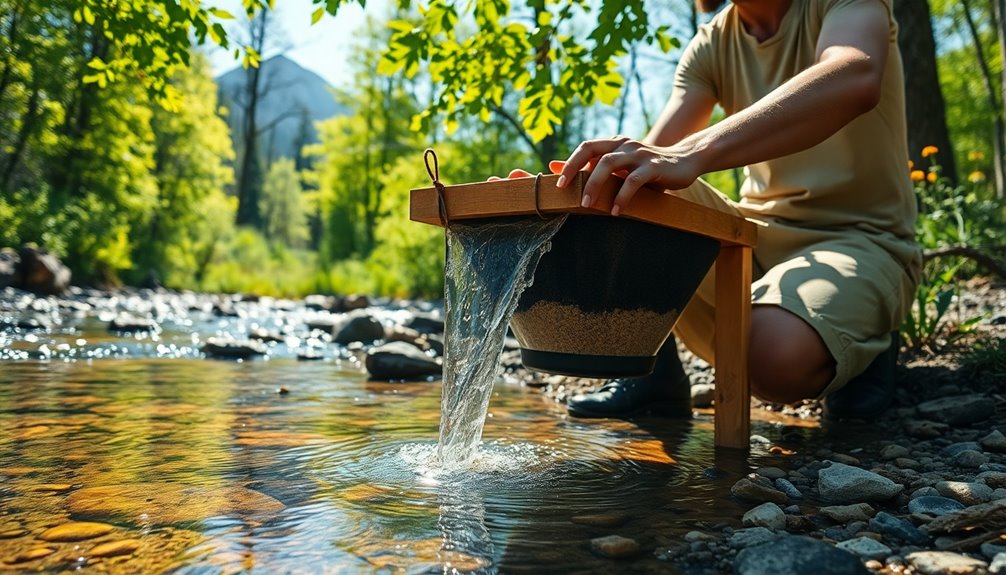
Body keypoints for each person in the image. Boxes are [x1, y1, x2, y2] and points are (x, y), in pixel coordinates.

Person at [550, 0, 922, 420]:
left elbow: (856, 74)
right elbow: (651, 160)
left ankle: (866, 346)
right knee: (624, 191)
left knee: (770, 356)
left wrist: (692, 151)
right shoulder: (711, 42)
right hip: (754, 233)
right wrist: (560, 195)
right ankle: (653, 375)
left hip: (861, 239)